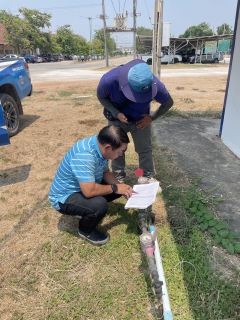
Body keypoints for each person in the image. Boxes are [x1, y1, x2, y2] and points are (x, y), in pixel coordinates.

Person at [49, 125, 137, 246]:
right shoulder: (84, 155)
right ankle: (85, 230)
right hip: (64, 197)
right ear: (108, 147)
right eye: (120, 151)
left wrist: (120, 187)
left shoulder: (100, 146)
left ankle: (85, 209)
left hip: (84, 186)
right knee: (99, 205)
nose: (121, 154)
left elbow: (105, 172)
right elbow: (89, 192)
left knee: (117, 187)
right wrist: (115, 188)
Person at [97, 59, 174, 183]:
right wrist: (116, 112)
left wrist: (152, 118)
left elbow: (168, 103)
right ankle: (117, 177)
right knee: (116, 148)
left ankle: (146, 175)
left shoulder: (154, 84)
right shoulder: (109, 80)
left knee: (144, 148)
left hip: (141, 121)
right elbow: (101, 96)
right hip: (117, 119)